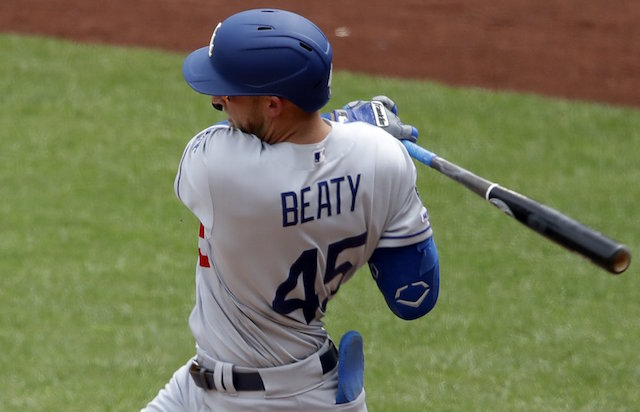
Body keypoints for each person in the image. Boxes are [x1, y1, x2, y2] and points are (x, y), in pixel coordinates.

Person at [142, 8, 439, 412]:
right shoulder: (382, 159)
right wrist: (375, 158)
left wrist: (352, 121)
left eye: (229, 93)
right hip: (221, 388)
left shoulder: (215, 167)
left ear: (274, 105)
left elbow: (290, 161)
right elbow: (414, 299)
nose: (217, 100)